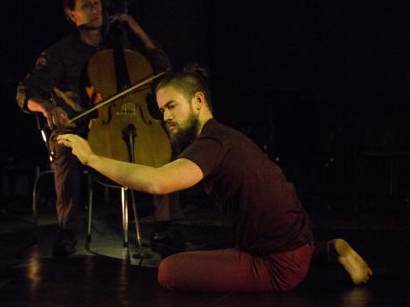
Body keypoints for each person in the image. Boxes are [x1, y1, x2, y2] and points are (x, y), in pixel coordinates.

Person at [57, 63, 373, 292]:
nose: (165, 117)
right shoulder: (223, 137)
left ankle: (322, 253)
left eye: (171, 106)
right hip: (299, 245)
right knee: (215, 254)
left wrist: (91, 158)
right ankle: (327, 250)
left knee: (169, 270)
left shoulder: (212, 143)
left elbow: (158, 182)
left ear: (198, 101)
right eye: (161, 110)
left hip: (277, 266)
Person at [16, 0, 184, 257]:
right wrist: (48, 108)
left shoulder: (122, 43)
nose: (96, 10)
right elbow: (25, 92)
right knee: (66, 147)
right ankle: (67, 230)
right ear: (71, 15)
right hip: (80, 126)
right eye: (86, 6)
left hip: (126, 122)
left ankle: (165, 227)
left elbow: (163, 68)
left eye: (97, 4)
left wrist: (135, 28)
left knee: (166, 146)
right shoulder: (59, 52)